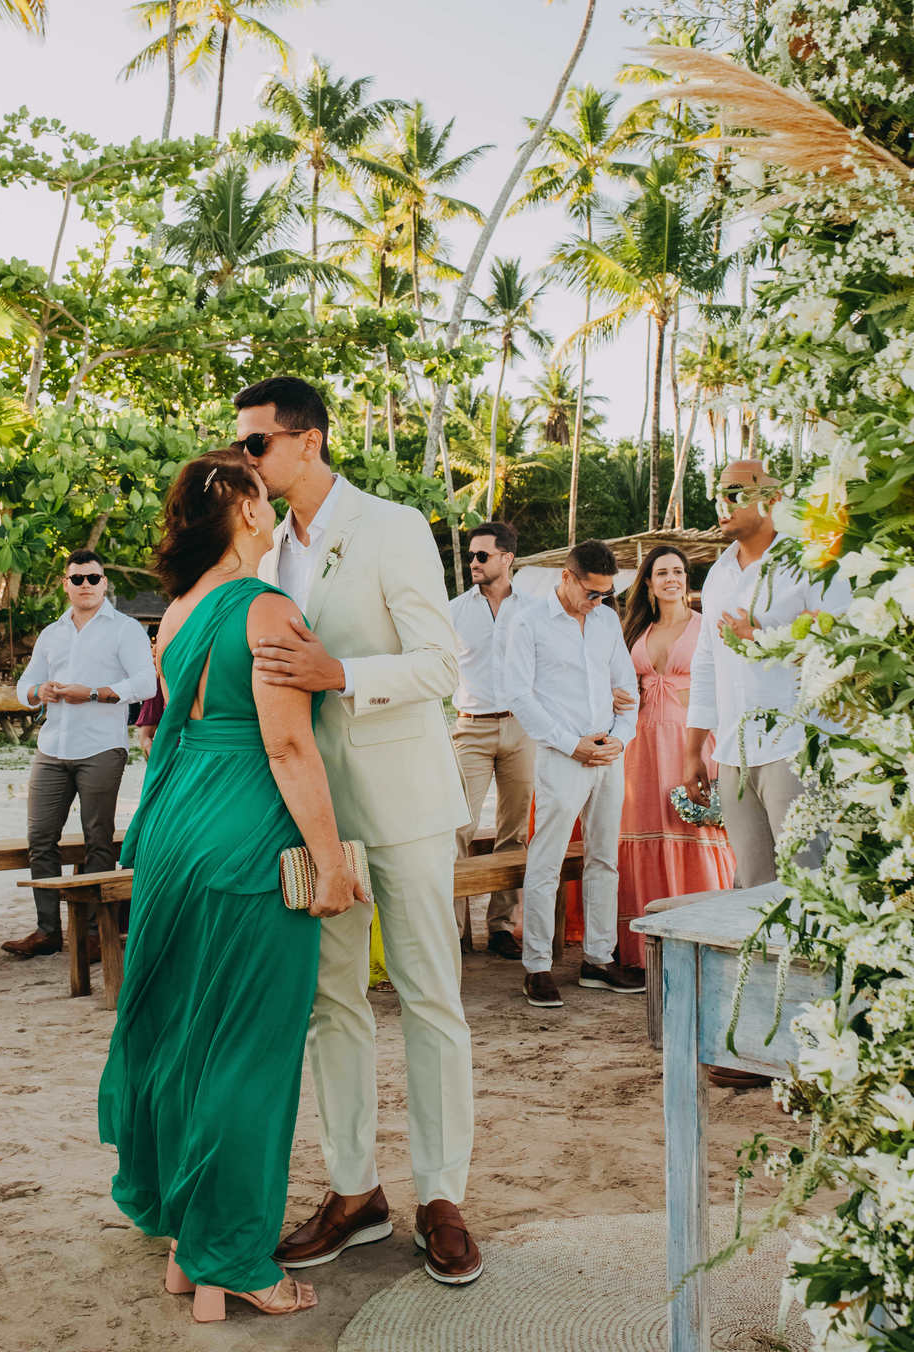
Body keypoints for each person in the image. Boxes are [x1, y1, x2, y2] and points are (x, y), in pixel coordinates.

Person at [99, 448, 365, 1322]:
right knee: (252, 1051)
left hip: (177, 832)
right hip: (248, 833)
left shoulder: (176, 614)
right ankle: (237, 1262)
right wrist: (330, 860)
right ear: (247, 512)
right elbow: (288, 747)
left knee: (188, 1040)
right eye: (264, 496)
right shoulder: (265, 608)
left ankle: (189, 1249)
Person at [235, 376, 482, 1287]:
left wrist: (340, 671)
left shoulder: (393, 526)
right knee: (329, 1002)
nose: (244, 462)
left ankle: (443, 1195)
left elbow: (439, 665)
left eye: (255, 445)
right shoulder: (262, 556)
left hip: (407, 800)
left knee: (429, 996)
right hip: (310, 812)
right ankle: (354, 1191)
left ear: (308, 441)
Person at [682, 459, 848, 887]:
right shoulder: (718, 573)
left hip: (795, 746)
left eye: (736, 494)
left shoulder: (811, 561)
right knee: (752, 887)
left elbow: (843, 649)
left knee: (808, 883)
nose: (724, 504)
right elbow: (705, 662)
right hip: (734, 754)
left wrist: (760, 636)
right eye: (719, 495)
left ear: (773, 499)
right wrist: (694, 749)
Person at [502, 540, 645, 1008]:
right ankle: (537, 966)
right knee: (547, 860)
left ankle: (598, 960)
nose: (599, 601)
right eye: (592, 592)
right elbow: (520, 697)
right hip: (562, 756)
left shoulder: (606, 620)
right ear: (566, 577)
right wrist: (572, 745)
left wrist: (620, 737)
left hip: (609, 754)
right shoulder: (529, 623)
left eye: (606, 594)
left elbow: (627, 686)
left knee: (605, 857)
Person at [4, 549, 156, 959]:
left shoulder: (125, 630)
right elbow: (25, 687)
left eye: (93, 578)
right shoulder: (52, 633)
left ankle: (93, 933)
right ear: (65, 584)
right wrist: (42, 692)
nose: (85, 585)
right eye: (77, 579)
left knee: (98, 841)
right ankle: (48, 930)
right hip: (53, 747)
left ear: (105, 582)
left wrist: (93, 693)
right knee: (40, 838)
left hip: (101, 748)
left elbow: (146, 683)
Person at [616, 545, 735, 966]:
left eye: (679, 572)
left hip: (692, 738)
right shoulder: (635, 630)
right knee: (642, 830)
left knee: (696, 830)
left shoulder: (706, 627)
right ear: (647, 581)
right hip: (642, 743)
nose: (672, 579)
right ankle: (641, 950)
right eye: (662, 572)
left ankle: (704, 938)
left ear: (687, 580)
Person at [448, 520, 534, 959]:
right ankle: (455, 933)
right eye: (471, 555)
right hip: (471, 728)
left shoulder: (535, 608)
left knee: (514, 831)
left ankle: (501, 927)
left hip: (523, 728)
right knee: (458, 827)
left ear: (507, 558)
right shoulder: (454, 611)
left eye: (482, 555)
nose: (474, 562)